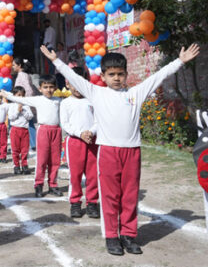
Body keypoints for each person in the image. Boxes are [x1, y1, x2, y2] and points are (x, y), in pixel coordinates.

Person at [41, 43, 200, 256]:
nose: (116, 78)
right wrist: (55, 60)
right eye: (112, 74)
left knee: (130, 196)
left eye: (120, 74)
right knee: (110, 196)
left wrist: (180, 61)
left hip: (132, 152)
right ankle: (112, 237)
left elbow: (158, 76)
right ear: (103, 76)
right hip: (107, 152)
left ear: (126, 75)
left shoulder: (136, 93)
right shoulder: (96, 93)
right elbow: (74, 76)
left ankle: (128, 235)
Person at [0, 75, 63, 198]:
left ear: (56, 88)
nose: (48, 90)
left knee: (55, 160)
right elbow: (22, 100)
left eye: (51, 87)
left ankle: (53, 184)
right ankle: (39, 184)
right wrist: (7, 95)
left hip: (56, 131)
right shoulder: (38, 99)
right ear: (40, 88)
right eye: (45, 87)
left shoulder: (58, 100)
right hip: (43, 131)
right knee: (42, 160)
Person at [59, 67, 99, 220]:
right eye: (73, 83)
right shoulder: (65, 103)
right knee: (75, 175)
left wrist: (91, 132)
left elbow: (98, 120)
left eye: (80, 83)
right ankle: (75, 202)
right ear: (68, 84)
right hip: (75, 142)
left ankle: (92, 203)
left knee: (93, 174)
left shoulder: (92, 100)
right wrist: (80, 134)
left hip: (92, 141)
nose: (77, 88)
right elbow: (65, 124)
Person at [13, 57, 39, 152]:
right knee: (28, 123)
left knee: (29, 123)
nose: (13, 67)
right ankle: (32, 143)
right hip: (24, 102)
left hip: (24, 103)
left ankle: (33, 144)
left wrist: (25, 101)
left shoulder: (22, 75)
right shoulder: (23, 74)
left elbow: (29, 89)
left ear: (19, 66)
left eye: (14, 65)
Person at [8, 86, 33, 175]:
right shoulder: (12, 106)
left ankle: (25, 165)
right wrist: (18, 111)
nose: (21, 97)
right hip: (15, 130)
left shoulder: (26, 106)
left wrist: (23, 111)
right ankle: (16, 166)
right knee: (15, 149)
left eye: (22, 95)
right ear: (14, 96)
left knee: (25, 149)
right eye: (18, 95)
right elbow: (11, 117)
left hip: (24, 130)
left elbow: (30, 117)